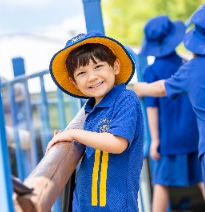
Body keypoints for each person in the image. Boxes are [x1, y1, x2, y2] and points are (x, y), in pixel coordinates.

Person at [46, 31, 144, 211]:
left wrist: (74, 133)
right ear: (74, 82)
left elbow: (117, 143)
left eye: (98, 66)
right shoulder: (89, 109)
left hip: (115, 206)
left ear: (115, 66)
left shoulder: (125, 99)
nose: (91, 77)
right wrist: (69, 139)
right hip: (85, 204)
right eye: (82, 72)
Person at [133, 7, 205, 196]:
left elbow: (152, 108)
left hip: (170, 138)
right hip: (195, 134)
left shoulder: (150, 72)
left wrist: (155, 140)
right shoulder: (186, 63)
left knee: (161, 182)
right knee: (201, 178)